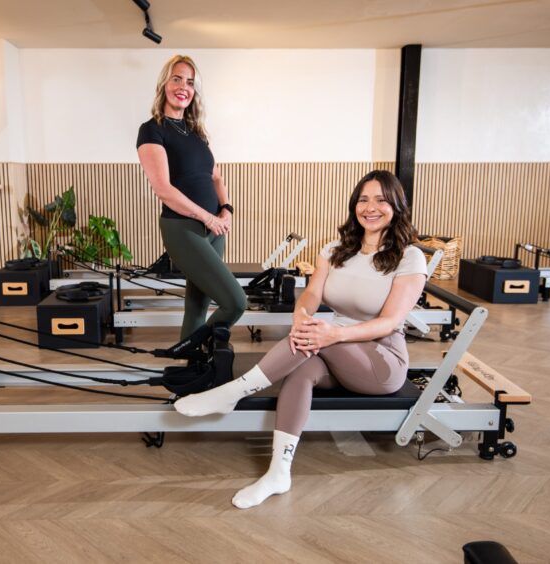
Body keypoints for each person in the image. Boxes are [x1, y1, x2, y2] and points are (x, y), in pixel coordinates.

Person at [174, 170, 428, 509]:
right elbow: (310, 294)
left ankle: (233, 392)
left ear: (396, 205)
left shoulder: (410, 257)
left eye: (381, 200)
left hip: (380, 361)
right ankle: (279, 472)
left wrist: (332, 333)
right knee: (301, 371)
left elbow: (389, 322)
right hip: (333, 347)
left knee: (316, 340)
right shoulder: (336, 250)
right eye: (364, 199)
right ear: (354, 205)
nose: (371, 207)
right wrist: (302, 318)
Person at [136, 55, 246, 341]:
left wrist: (227, 210)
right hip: (183, 228)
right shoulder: (151, 130)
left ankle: (192, 371)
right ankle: (187, 352)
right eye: (177, 78)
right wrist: (208, 217)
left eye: (190, 82)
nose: (183, 87)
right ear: (164, 84)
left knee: (198, 306)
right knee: (235, 302)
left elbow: (216, 178)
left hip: (215, 230)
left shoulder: (197, 133)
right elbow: (163, 189)